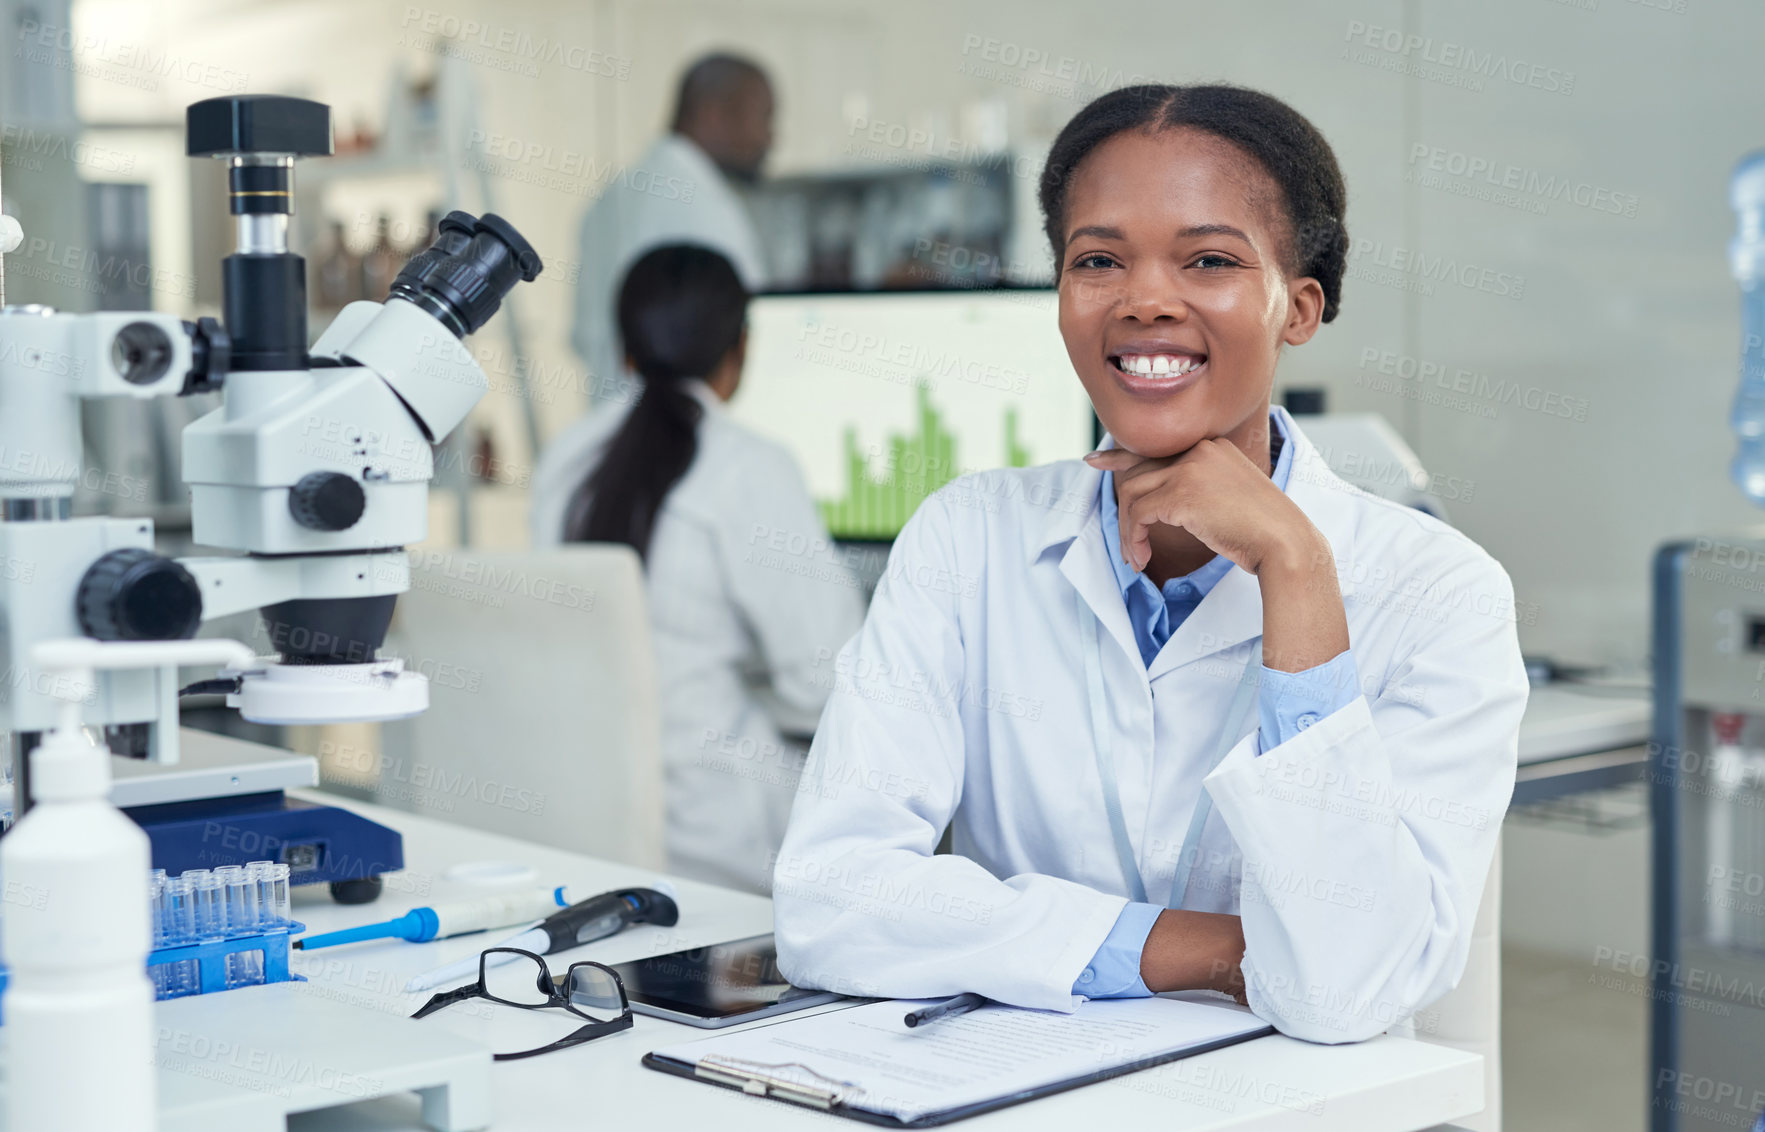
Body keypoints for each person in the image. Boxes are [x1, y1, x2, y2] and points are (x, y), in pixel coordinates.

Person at [772, 84, 1530, 1043]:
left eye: (1208, 258)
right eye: (1097, 260)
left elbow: (1343, 992)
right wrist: (1218, 950)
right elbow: (828, 900)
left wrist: (1294, 566)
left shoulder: (1440, 592)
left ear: (1299, 307)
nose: (1143, 301)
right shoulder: (967, 536)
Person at [532, 244, 863, 894]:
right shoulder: (747, 465)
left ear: (624, 349)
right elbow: (829, 679)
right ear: (741, 348)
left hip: (586, 829)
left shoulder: (565, 459)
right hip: (720, 847)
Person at [572, 53, 774, 408]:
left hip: (613, 434)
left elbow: (582, 338)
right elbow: (747, 339)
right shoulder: (705, 208)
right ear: (715, 114)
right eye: (764, 118)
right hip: (685, 439)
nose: (770, 139)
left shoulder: (611, 199)